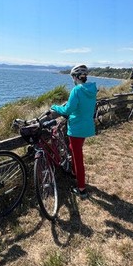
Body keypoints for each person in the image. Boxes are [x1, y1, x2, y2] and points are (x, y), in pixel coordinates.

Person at [50, 65, 97, 199]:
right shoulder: (92, 89)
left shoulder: (76, 90)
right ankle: (75, 173)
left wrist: (55, 107)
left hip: (76, 128)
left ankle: (81, 189)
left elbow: (67, 110)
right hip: (86, 126)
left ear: (76, 77)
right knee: (73, 149)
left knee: (78, 158)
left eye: (72, 77)